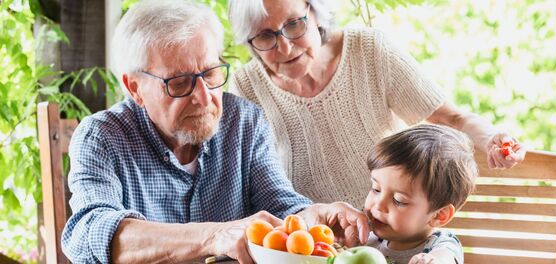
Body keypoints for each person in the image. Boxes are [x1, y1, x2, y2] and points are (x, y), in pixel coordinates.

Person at [60, 1, 369, 263]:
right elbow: (89, 232)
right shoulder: (101, 136)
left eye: (210, 73)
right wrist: (215, 235)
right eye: (179, 84)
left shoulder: (244, 121)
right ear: (135, 88)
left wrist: (314, 214)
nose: (205, 97)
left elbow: (280, 204)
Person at [227, 0, 525, 209]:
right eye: (265, 35)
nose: (285, 47)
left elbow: (451, 118)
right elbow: (251, 184)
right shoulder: (246, 87)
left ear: (315, 13)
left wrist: (491, 139)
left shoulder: (368, 50)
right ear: (249, 41)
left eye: (294, 24)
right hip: (315, 243)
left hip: (396, 225)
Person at [363, 124, 477, 264]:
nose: (379, 205)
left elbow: (445, 256)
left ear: (439, 215)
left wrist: (434, 261)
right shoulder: (367, 236)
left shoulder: (440, 244)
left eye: (399, 200)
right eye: (376, 189)